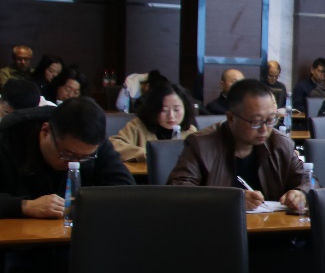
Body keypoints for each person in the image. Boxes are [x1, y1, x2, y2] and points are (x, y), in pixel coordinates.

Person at [167, 79, 308, 212]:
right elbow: (179, 190)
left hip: (272, 226)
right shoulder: (202, 144)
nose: (264, 129)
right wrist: (230, 200)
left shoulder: (280, 143)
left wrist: (301, 193)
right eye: (256, 122)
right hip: (219, 226)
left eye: (271, 120)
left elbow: (307, 180)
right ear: (231, 118)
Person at [0, 97, 135, 219]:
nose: (75, 163)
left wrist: (82, 201)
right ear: (45, 132)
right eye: (68, 154)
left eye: (85, 157)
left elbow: (126, 191)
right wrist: (24, 206)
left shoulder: (92, 142)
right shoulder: (7, 139)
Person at [108, 82, 198, 162]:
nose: (171, 116)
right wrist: (146, 154)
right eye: (164, 110)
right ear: (154, 109)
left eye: (176, 109)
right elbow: (114, 145)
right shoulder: (137, 126)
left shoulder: (190, 131)